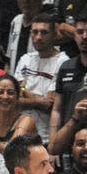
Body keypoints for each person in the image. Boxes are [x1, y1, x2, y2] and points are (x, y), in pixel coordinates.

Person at [13, 13, 62, 141]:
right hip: (19, 133)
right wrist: (38, 101)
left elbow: (50, 104)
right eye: (34, 32)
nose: (38, 37)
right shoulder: (25, 59)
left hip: (46, 137)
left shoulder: (63, 61)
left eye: (44, 32)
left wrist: (24, 92)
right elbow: (13, 99)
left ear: (54, 35)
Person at [2, 0, 45, 73]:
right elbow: (9, 58)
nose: (26, 0)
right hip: (15, 79)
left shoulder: (45, 23)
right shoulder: (16, 21)